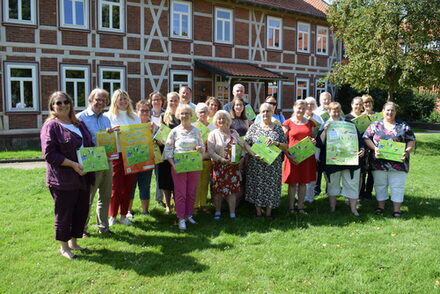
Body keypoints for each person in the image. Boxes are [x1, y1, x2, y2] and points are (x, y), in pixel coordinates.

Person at [41, 91, 94, 259]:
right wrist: (72, 164)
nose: (63, 105)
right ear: (52, 107)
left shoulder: (79, 123)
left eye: (66, 102)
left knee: (81, 210)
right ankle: (64, 247)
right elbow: (49, 154)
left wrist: (92, 162)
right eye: (58, 103)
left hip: (83, 175)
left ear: (70, 104)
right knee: (65, 213)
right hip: (63, 179)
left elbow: (89, 145)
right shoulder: (51, 126)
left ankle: (74, 243)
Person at [363, 102, 416, 217]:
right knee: (380, 185)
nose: (389, 112)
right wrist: (374, 148)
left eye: (392, 110)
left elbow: (411, 140)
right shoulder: (375, 125)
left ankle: (396, 209)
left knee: (397, 186)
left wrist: (407, 151)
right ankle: (380, 207)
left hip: (399, 164)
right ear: (383, 111)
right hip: (379, 163)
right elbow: (366, 137)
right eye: (387, 110)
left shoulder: (403, 126)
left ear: (395, 112)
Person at [316, 102, 365, 216]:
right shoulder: (325, 124)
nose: (336, 113)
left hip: (350, 161)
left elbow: (359, 139)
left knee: (352, 184)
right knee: (332, 184)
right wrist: (324, 131)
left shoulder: (349, 124)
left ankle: (353, 209)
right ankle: (332, 208)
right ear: (329, 112)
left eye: (338, 111)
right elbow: (319, 143)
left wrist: (362, 149)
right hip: (332, 162)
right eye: (334, 111)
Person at [77, 88, 115, 235]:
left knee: (105, 196)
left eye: (103, 100)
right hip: (91, 161)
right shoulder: (80, 118)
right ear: (90, 100)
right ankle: (83, 229)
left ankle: (103, 227)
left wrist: (112, 135)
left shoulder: (106, 118)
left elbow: (108, 139)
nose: (100, 103)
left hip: (107, 160)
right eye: (98, 99)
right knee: (88, 197)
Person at [163, 104, 204, 230]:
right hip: (178, 166)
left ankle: (189, 215)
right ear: (178, 115)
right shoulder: (174, 131)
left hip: (193, 166)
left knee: (191, 192)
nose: (184, 115)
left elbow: (202, 148)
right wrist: (173, 165)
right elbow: (168, 150)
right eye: (182, 113)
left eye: (187, 113)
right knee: (181, 193)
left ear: (191, 115)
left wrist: (200, 149)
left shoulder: (197, 131)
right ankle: (181, 218)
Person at [244, 103, 288, 218]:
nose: (265, 113)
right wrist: (252, 154)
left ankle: (269, 213)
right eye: (263, 111)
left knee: (271, 187)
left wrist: (275, 143)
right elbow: (246, 142)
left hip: (273, 165)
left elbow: (285, 146)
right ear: (260, 113)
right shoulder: (254, 127)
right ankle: (258, 212)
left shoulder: (278, 128)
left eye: (268, 111)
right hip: (256, 163)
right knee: (256, 186)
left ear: (272, 113)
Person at [104, 89, 140, 226]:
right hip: (116, 155)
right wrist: (111, 132)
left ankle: (124, 215)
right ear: (115, 101)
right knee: (116, 187)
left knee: (128, 187)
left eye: (125, 98)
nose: (123, 101)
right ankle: (112, 215)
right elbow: (104, 135)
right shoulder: (108, 116)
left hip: (132, 154)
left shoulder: (134, 116)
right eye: (120, 99)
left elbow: (139, 135)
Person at [208, 110, 244, 220]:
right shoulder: (213, 134)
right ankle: (218, 211)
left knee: (232, 191)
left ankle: (232, 213)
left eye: (224, 118)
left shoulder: (234, 133)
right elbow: (210, 151)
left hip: (233, 167)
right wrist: (221, 159)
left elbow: (241, 147)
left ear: (228, 120)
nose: (221, 120)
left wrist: (241, 159)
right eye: (219, 118)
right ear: (216, 121)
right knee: (217, 191)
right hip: (219, 166)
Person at [282, 100, 317, 213]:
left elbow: (312, 137)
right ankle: (291, 207)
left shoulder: (310, 123)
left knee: (303, 182)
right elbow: (283, 140)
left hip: (306, 157)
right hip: (292, 157)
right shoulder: (288, 123)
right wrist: (287, 154)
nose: (301, 110)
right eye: (299, 108)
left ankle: (300, 207)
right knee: (292, 183)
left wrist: (313, 141)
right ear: (294, 108)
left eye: (303, 108)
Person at [127, 100, 155, 217]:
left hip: (148, 160)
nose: (144, 113)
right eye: (142, 110)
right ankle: (129, 210)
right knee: (131, 185)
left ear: (150, 112)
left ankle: (145, 211)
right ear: (137, 111)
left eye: (146, 110)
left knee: (145, 185)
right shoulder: (131, 125)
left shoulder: (154, 126)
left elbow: (160, 142)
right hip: (133, 159)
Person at [156, 92, 181, 214]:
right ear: (167, 101)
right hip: (165, 152)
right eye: (171, 100)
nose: (173, 103)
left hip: (178, 151)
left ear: (179, 101)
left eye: (175, 100)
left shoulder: (182, 115)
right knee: (166, 180)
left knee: (177, 179)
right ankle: (168, 206)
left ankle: (177, 204)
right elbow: (160, 135)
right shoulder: (163, 116)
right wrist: (159, 141)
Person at [193, 103, 216, 213]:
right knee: (195, 183)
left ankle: (203, 204)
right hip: (195, 159)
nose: (203, 114)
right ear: (196, 113)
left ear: (208, 113)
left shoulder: (212, 127)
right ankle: (195, 206)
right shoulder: (193, 126)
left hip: (208, 158)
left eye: (205, 112)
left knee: (205, 182)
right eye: (200, 112)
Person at [147, 91, 167, 207]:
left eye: (159, 99)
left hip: (161, 148)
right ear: (151, 101)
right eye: (154, 99)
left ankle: (159, 199)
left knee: (159, 174)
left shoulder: (166, 114)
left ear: (162, 101)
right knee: (146, 175)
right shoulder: (146, 114)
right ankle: (145, 199)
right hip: (148, 148)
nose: (156, 102)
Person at [304, 96, 324, 202]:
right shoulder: (301, 117)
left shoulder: (318, 117)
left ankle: (310, 195)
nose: (310, 106)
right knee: (303, 171)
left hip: (315, 147)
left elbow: (321, 133)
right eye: (307, 104)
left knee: (313, 171)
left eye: (312, 104)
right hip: (303, 147)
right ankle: (301, 195)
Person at [359, 94, 376, 199]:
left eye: (369, 102)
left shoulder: (378, 116)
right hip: (363, 146)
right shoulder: (360, 117)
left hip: (375, 145)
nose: (367, 104)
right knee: (362, 170)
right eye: (365, 103)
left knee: (372, 170)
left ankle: (368, 192)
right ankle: (361, 191)